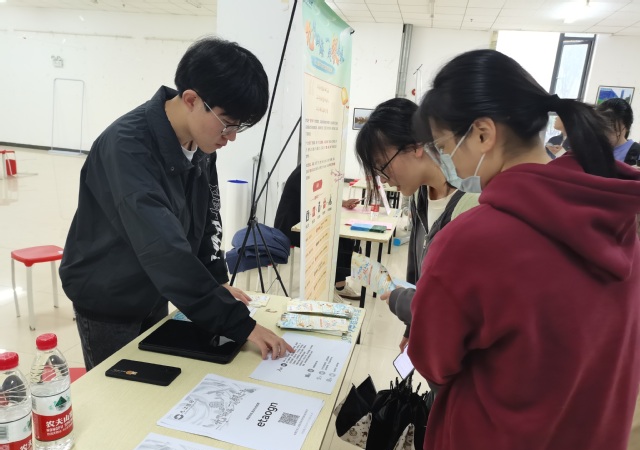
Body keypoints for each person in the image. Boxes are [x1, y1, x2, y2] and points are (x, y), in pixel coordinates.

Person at [405, 49, 640, 450]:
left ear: (482, 134)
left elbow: (432, 360)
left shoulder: (471, 242)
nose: (446, 163)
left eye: (444, 147)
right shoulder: (619, 218)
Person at [60, 37, 294, 370]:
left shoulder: (201, 143)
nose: (231, 136)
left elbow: (207, 218)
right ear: (191, 100)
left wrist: (217, 281)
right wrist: (241, 325)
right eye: (227, 123)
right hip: (109, 298)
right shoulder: (128, 148)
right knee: (123, 389)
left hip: (156, 287)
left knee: (160, 384)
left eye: (239, 127)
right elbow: (163, 248)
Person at [354, 97, 479, 353]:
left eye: (382, 166)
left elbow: (465, 308)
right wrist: (412, 326)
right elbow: (417, 270)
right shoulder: (420, 195)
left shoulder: (471, 205)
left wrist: (405, 304)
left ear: (415, 147)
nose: (384, 180)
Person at [274, 163, 361, 301]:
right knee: (333, 239)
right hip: (291, 227)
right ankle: (327, 290)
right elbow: (316, 200)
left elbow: (323, 198)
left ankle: (339, 285)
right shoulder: (304, 174)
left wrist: (343, 202)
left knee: (345, 237)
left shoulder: (313, 170)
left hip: (305, 223)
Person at [596, 98, 640, 166]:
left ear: (626, 127)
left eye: (611, 125)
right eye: (601, 125)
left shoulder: (637, 153)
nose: (604, 131)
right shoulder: (591, 150)